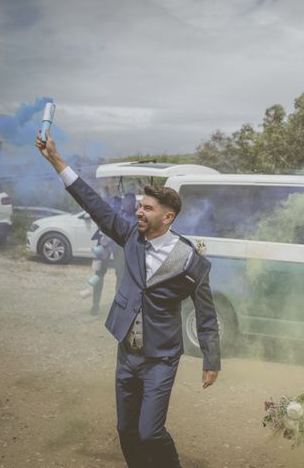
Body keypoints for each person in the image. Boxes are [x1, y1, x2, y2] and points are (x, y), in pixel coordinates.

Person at [36, 131, 220, 468]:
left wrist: (211, 358)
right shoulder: (130, 238)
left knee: (150, 432)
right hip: (127, 353)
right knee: (125, 429)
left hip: (161, 358)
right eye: (140, 206)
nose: (139, 212)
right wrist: (56, 160)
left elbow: (205, 313)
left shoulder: (190, 260)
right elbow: (93, 203)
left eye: (147, 208)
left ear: (168, 217)